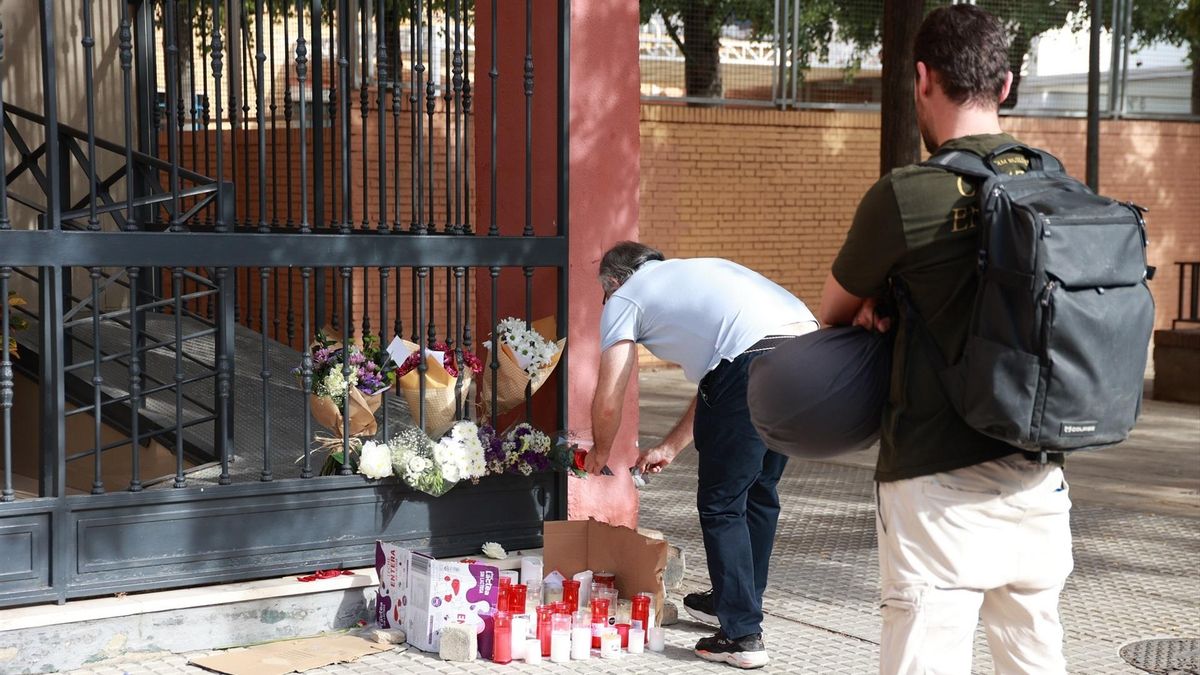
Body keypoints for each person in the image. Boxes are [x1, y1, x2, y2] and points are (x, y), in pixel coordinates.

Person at [820, 6, 1073, 674]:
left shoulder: (907, 194)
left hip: (936, 491)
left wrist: (879, 304)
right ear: (1007, 84)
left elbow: (831, 312)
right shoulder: (1056, 181)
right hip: (1040, 484)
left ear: (923, 78)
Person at [583, 241, 819, 669]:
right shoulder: (688, 275)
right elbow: (720, 378)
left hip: (752, 364)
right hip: (809, 353)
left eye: (605, 294)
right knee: (759, 490)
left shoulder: (626, 297)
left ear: (614, 281)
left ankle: (742, 635)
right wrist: (670, 446)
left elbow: (610, 393)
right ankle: (736, 600)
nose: (607, 303)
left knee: (722, 503)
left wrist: (600, 451)